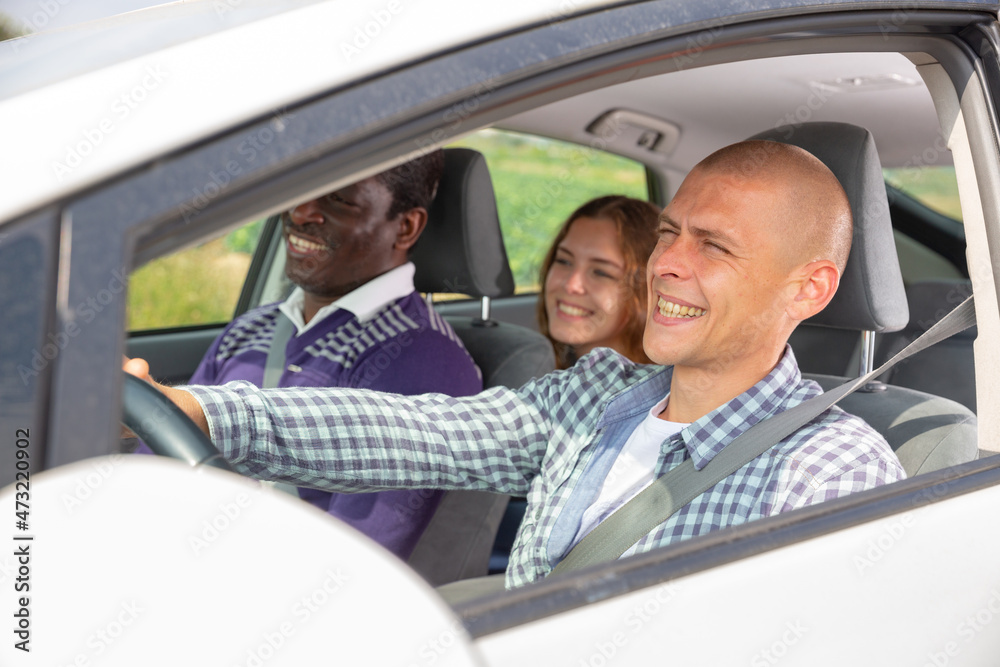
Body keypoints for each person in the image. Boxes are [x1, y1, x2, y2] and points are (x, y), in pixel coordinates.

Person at [125, 140, 905, 589]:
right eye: (670, 233)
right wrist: (206, 412)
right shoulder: (597, 394)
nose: (668, 263)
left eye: (716, 246)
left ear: (809, 288)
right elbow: (418, 431)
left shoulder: (831, 472)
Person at [138, 149, 483, 561]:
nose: (300, 211)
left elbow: (348, 562)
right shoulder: (251, 328)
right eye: (302, 186)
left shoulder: (423, 360)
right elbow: (156, 466)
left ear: (405, 228)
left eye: (338, 199)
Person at [538, 195, 660, 368]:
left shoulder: (669, 383)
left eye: (601, 273)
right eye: (564, 261)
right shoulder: (537, 369)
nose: (571, 285)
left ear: (646, 289)